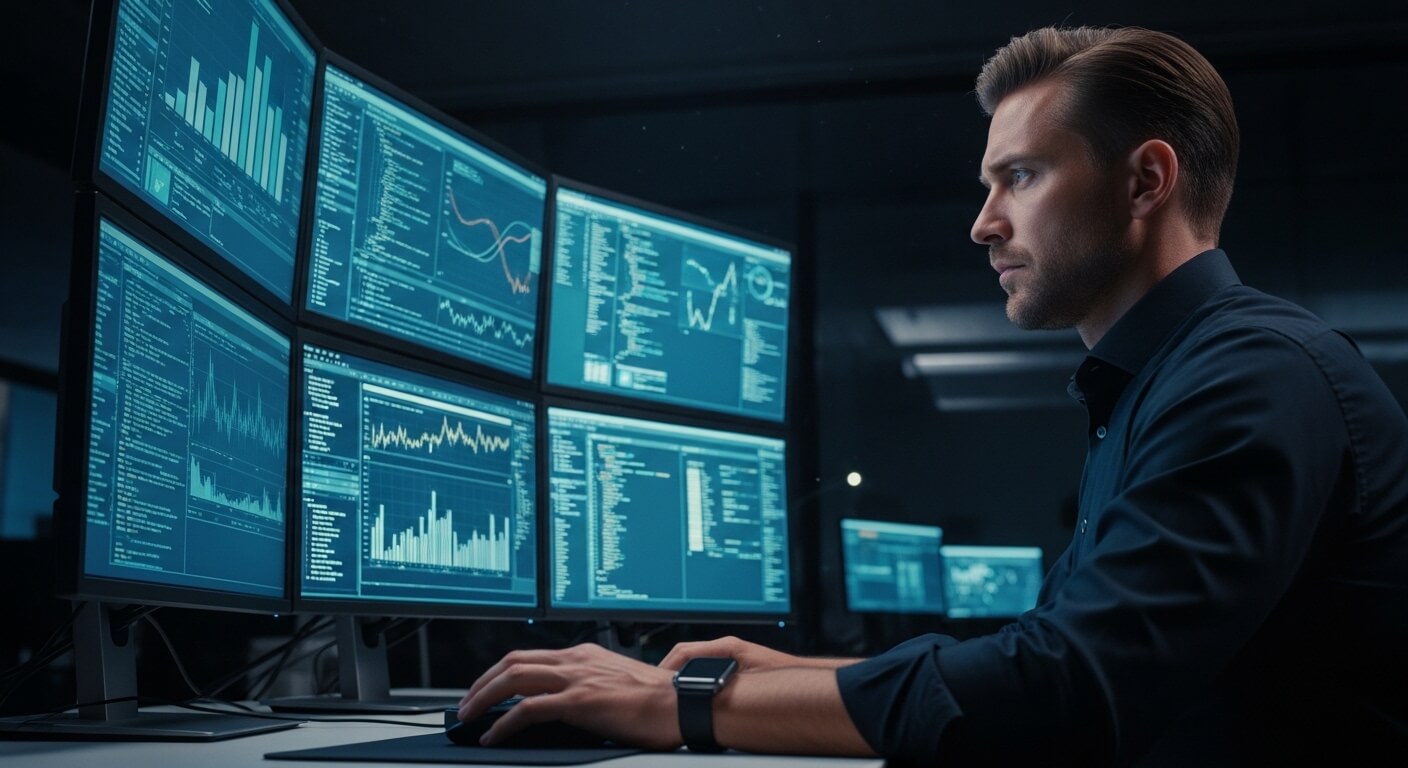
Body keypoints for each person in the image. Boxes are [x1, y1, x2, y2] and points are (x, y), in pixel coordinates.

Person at [458, 25, 1408, 764]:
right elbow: (1055, 650)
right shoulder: (1170, 380)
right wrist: (800, 678)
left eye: (1020, 177)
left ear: (1146, 181)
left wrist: (684, 705)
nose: (982, 224)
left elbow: (1066, 695)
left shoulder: (1253, 377)